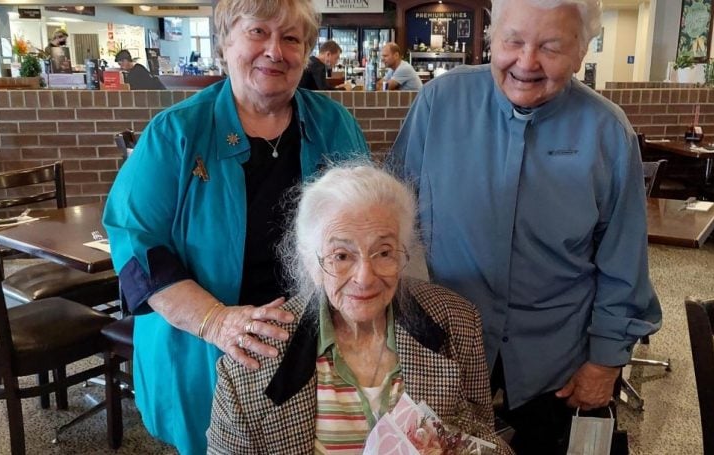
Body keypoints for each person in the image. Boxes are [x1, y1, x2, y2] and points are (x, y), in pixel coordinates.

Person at [388, 0, 661, 452]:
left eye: (551, 47)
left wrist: (606, 362)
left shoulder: (607, 133)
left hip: (557, 366)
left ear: (581, 51)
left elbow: (624, 260)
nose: (526, 62)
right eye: (512, 41)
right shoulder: (440, 103)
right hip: (447, 355)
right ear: (492, 40)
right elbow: (389, 214)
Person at [102, 0, 370, 452]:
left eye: (291, 38)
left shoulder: (334, 124)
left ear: (306, 52)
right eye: (258, 33)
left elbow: (363, 223)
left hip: (316, 343)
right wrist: (216, 322)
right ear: (225, 42)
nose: (275, 51)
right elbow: (135, 244)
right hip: (203, 349)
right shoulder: (176, 132)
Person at [207, 164, 511, 454]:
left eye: (383, 252)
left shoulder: (456, 321)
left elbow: (484, 437)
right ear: (312, 263)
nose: (365, 277)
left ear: (404, 254)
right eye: (341, 255)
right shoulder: (252, 361)